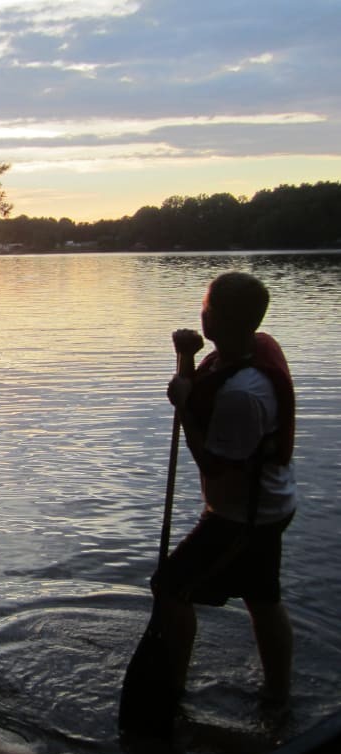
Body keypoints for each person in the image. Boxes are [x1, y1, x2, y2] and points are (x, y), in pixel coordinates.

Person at [155, 270, 297, 708]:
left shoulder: (243, 394)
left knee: (171, 586)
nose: (200, 311)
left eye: (205, 306)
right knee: (261, 596)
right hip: (267, 504)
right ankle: (278, 695)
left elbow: (213, 465)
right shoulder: (251, 348)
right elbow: (193, 392)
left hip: (243, 516)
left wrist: (182, 410)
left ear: (217, 320)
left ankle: (170, 691)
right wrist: (185, 359)